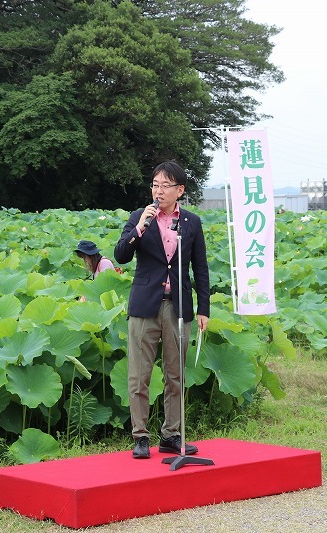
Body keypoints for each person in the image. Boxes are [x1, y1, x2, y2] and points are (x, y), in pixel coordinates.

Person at [114, 160, 210, 459]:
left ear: (179, 190)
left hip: (178, 306)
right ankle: (140, 436)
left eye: (165, 186)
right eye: (155, 185)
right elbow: (122, 254)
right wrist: (141, 226)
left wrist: (204, 308)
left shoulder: (191, 222)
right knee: (139, 374)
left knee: (175, 374)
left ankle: (171, 434)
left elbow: (201, 267)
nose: (159, 191)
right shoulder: (138, 217)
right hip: (145, 305)